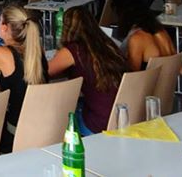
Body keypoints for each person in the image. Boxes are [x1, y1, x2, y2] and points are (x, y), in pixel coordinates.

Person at [0, 5, 47, 153]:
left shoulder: (1, 53)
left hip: (13, 133)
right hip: (42, 128)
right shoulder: (37, 50)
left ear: (5, 27)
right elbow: (21, 84)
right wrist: (1, 87)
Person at [48, 7, 126, 135]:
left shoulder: (74, 50)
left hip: (98, 124)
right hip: (121, 116)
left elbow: (44, 72)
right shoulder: (108, 45)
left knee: (60, 110)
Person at [112, 0, 176, 71]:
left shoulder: (137, 38)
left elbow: (132, 74)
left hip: (147, 79)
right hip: (167, 78)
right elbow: (181, 69)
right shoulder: (162, 32)